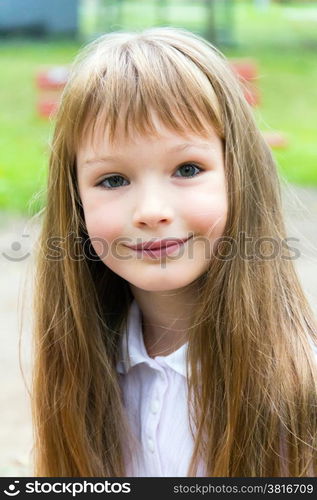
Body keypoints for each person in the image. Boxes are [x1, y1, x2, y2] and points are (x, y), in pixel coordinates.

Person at [31, 27, 317, 477]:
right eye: (113, 180)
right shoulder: (78, 372)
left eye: (187, 169)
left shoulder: (303, 387)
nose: (151, 211)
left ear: (239, 176)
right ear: (76, 201)